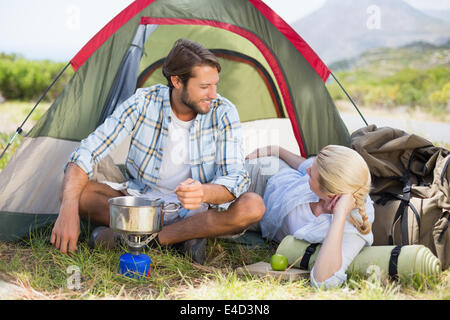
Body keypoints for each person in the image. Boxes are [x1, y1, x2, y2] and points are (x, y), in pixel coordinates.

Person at [50, 38, 265, 264]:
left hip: (199, 211)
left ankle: (144, 241)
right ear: (176, 81)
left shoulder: (223, 111)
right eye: (204, 87)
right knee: (77, 194)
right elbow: (87, 151)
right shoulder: (144, 102)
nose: (213, 94)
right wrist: (68, 211)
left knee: (253, 206)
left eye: (215, 85)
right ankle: (185, 237)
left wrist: (203, 192)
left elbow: (236, 177)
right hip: (145, 204)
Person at [245, 144, 374, 288]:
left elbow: (323, 281)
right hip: (265, 176)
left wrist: (339, 215)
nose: (307, 170)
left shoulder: (354, 225)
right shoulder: (333, 176)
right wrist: (275, 150)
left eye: (311, 174)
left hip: (256, 212)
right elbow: (302, 164)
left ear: (330, 193)